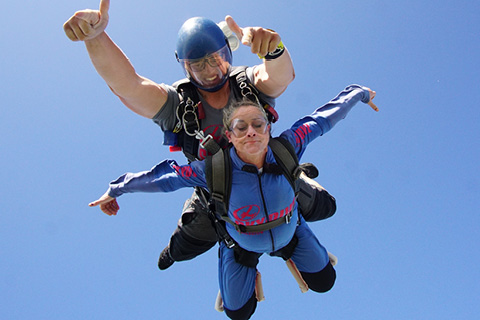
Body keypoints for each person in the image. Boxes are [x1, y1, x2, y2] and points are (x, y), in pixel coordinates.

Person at [64, 0, 337, 271]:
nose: (209, 72)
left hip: (270, 173)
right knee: (184, 246)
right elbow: (130, 86)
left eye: (215, 61)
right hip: (215, 191)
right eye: (198, 65)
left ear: (227, 55)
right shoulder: (177, 105)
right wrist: (96, 38)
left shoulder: (247, 85)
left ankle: (291, 210)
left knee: (325, 208)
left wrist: (274, 50)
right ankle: (220, 248)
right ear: (185, 68)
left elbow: (280, 76)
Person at [89, 85, 377, 319]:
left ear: (268, 129)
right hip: (240, 244)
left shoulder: (288, 146)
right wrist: (117, 188)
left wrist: (360, 93)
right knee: (238, 314)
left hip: (291, 228)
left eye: (257, 124)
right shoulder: (214, 168)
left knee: (325, 282)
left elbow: (325, 118)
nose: (250, 131)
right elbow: (167, 177)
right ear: (229, 135)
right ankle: (218, 241)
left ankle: (300, 181)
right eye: (240, 127)